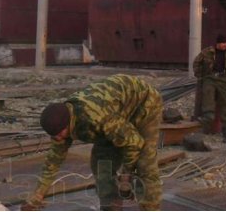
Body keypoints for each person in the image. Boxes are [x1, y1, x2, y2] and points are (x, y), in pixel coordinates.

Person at [21, 74, 162, 211]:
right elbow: (53, 162)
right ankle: (110, 208)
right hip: (116, 114)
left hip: (144, 104)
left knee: (146, 166)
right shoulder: (60, 124)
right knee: (102, 166)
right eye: (54, 136)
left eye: (59, 135)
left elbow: (134, 143)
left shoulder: (96, 118)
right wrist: (37, 196)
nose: (57, 139)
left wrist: (127, 175)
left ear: (68, 125)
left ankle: (150, 208)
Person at [194, 33, 226, 141]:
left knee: (225, 103)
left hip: (224, 80)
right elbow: (196, 62)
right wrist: (200, 76)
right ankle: (204, 127)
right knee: (207, 101)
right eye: (223, 43)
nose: (225, 45)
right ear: (218, 43)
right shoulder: (207, 52)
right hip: (210, 79)